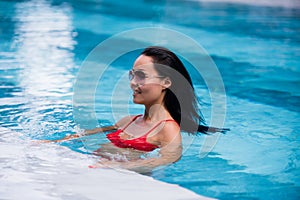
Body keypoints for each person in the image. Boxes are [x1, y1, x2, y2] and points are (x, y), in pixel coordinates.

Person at [41, 46, 228, 173]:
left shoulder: (168, 129)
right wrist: (51, 142)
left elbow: (165, 160)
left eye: (141, 76)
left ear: (166, 82)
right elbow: (81, 136)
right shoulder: (128, 121)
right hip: (93, 170)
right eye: (132, 75)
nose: (132, 83)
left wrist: (114, 167)